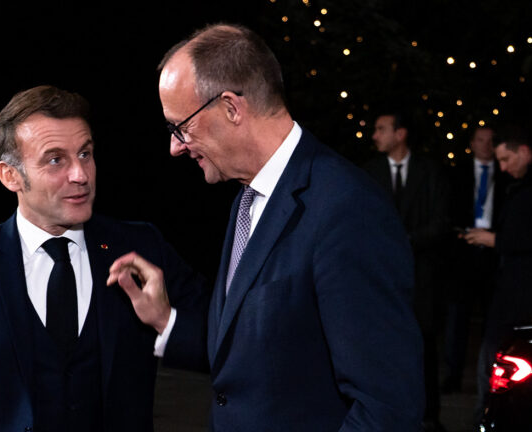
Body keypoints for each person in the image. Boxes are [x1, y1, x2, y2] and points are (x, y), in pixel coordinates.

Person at [108, 24, 424, 431]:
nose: (175, 147)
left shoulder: (349, 210)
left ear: (231, 108)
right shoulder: (247, 198)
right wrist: (166, 320)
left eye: (180, 126)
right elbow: (257, 356)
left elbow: (387, 408)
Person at [0, 85, 207, 431]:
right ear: (10, 176)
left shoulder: (142, 248)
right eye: (55, 160)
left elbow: (226, 345)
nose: (80, 174)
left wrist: (166, 320)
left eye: (85, 154)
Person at [462, 124, 532, 422]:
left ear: (523, 151)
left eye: (506, 159)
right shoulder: (523, 183)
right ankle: (489, 416)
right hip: (511, 288)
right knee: (492, 357)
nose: (503, 168)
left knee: (515, 362)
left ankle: (498, 417)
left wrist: (496, 240)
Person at [362, 112, 450, 431]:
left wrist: (405, 241)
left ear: (400, 134)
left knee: (423, 347)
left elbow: (441, 221)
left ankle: (428, 416)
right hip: (380, 276)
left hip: (422, 277)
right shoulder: (369, 172)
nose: (375, 135)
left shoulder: (430, 172)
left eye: (381, 129)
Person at [441, 126, 508, 394]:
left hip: (494, 252)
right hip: (463, 252)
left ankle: (491, 377)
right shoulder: (457, 173)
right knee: (457, 317)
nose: (486, 145)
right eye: (481, 140)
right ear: (472, 143)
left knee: (493, 318)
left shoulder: (504, 173)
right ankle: (453, 375)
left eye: (491, 141)